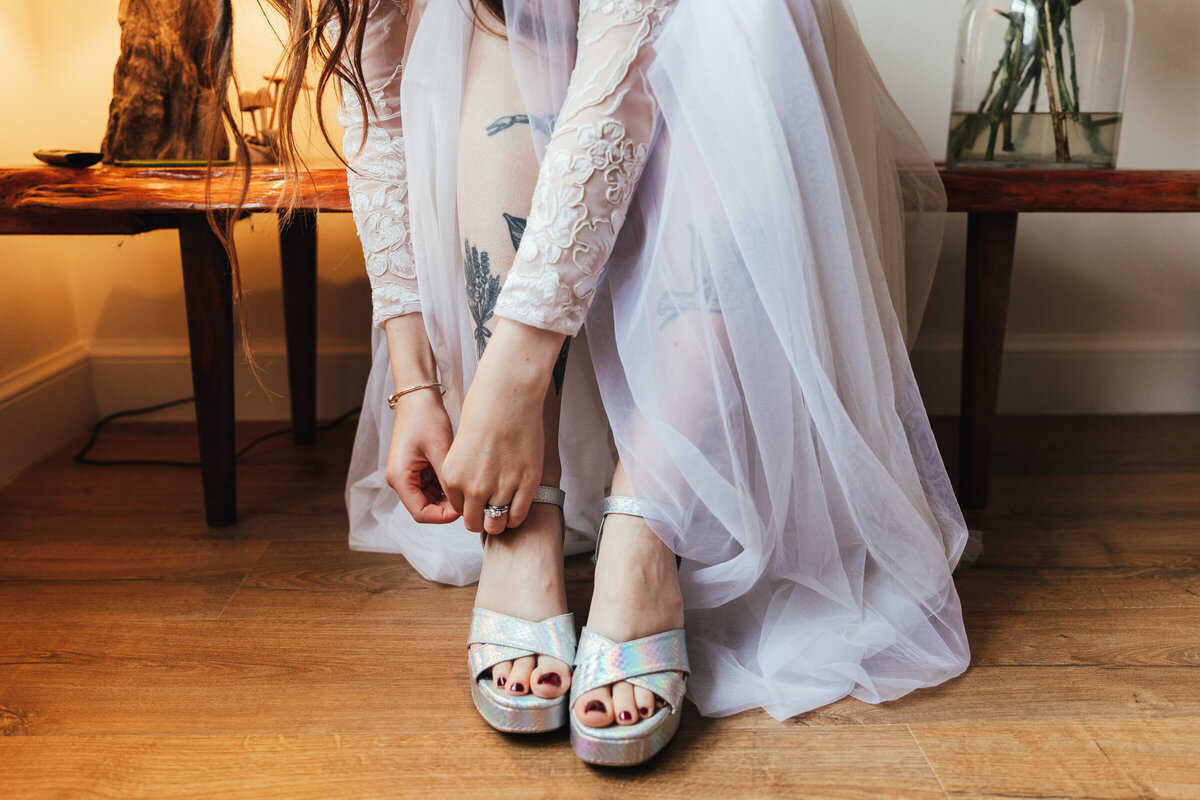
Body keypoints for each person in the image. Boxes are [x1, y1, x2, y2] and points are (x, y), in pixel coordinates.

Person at [270, 0, 971, 766]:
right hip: (517, 79)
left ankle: (648, 522)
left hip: (693, 47)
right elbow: (377, 104)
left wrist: (512, 382)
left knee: (741, 17)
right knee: (501, 16)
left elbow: (621, 76)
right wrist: (415, 382)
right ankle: (521, 521)